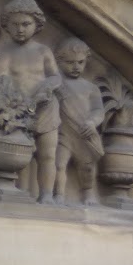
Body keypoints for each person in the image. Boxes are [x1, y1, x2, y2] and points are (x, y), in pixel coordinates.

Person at [0, 0, 61, 203]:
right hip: (18, 110)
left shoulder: (43, 51)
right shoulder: (5, 52)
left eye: (26, 24)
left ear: (37, 24)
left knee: (48, 155)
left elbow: (55, 76)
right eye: (15, 24)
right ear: (6, 25)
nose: (20, 29)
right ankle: (19, 193)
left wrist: (47, 86)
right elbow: (0, 79)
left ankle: (46, 195)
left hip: (46, 109)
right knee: (18, 153)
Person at [53, 38, 104, 206]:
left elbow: (98, 110)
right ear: (59, 61)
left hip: (84, 134)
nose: (76, 67)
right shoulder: (57, 85)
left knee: (87, 167)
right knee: (59, 164)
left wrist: (92, 122)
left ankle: (88, 193)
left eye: (80, 62)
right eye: (70, 62)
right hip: (63, 134)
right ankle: (59, 195)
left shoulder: (91, 88)